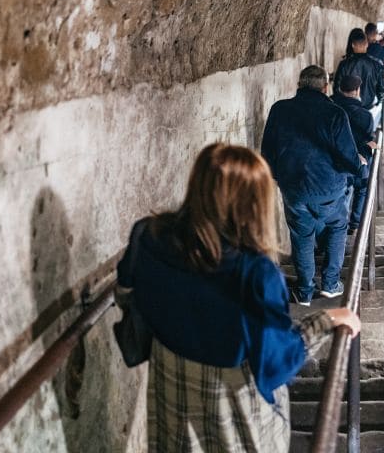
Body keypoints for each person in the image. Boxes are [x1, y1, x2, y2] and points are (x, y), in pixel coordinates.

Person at [115, 143, 361, 452]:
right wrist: (325, 320)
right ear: (253, 205)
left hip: (171, 399)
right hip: (233, 416)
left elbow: (126, 293)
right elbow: (273, 363)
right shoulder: (256, 275)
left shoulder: (147, 235)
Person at [261, 65, 365, 305]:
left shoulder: (280, 110)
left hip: (295, 187)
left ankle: (305, 291)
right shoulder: (336, 113)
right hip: (330, 188)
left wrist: (281, 178)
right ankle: (330, 284)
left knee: (302, 235)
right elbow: (348, 157)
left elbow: (267, 151)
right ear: (326, 87)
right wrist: (359, 165)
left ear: (299, 84)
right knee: (338, 227)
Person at [332, 74, 378, 233]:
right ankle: (355, 223)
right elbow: (367, 139)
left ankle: (340, 224)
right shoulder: (365, 115)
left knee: (341, 193)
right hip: (358, 161)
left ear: (340, 89)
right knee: (363, 187)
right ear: (358, 90)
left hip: (336, 160)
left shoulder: (331, 108)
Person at [334, 28, 384, 124]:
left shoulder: (344, 64)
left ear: (353, 45)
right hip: (369, 107)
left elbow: (336, 88)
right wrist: (377, 102)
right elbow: (382, 88)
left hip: (349, 109)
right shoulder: (377, 64)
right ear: (367, 44)